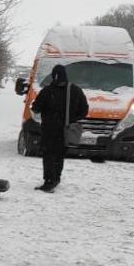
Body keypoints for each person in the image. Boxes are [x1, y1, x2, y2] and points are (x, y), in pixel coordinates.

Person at [30, 63, 89, 192]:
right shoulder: (75, 90)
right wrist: (72, 119)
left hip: (49, 130)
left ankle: (49, 181)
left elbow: (36, 108)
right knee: (59, 154)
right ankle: (56, 177)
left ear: (53, 76)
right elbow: (84, 110)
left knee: (49, 154)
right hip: (66, 130)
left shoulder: (47, 91)